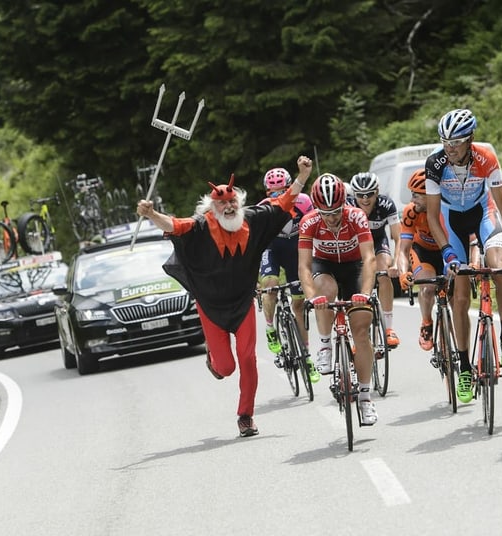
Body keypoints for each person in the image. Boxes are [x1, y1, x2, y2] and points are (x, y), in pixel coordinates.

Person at [136, 155, 313, 437]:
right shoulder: (201, 225)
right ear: (213, 207)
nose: (229, 206)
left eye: (232, 202)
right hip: (211, 305)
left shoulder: (253, 219)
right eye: (222, 203)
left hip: (242, 302)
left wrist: (302, 176)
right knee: (226, 367)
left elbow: (283, 203)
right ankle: (213, 357)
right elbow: (175, 226)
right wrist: (151, 215)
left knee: (247, 358)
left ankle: (246, 416)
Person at [425, 108, 502, 404]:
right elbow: (431, 215)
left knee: (497, 265)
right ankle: (464, 367)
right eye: (445, 141)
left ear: (470, 140)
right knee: (461, 297)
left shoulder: (485, 158)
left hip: (483, 215)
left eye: (457, 141)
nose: (450, 148)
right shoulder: (435, 164)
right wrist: (447, 251)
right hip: (451, 222)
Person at [299, 173, 379, 425]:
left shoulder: (356, 216)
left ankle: (365, 398)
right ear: (317, 209)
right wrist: (311, 298)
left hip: (354, 266)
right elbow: (304, 266)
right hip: (326, 266)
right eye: (326, 213)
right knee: (325, 288)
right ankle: (324, 344)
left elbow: (369, 259)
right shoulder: (309, 221)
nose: (332, 218)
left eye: (336, 212)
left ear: (344, 204)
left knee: (362, 331)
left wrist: (365, 293)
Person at [257, 167, 319, 383]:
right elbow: (255, 244)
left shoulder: (303, 201)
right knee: (271, 285)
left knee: (299, 306)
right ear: (267, 194)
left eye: (282, 191)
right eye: (273, 193)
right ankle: (270, 327)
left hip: (296, 250)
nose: (278, 197)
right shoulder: (263, 209)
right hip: (272, 250)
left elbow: (317, 227)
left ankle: (307, 355)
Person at [347, 172, 402, 348]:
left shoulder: (386, 205)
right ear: (353, 195)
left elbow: (398, 237)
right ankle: (356, 334)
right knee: (354, 282)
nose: (365, 199)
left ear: (377, 192)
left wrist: (395, 263)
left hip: (377, 243)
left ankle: (388, 328)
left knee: (384, 273)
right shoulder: (347, 206)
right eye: (360, 195)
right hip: (355, 246)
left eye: (369, 194)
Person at [394, 169, 441, 351]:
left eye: (416, 195)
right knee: (428, 288)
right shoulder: (411, 212)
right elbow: (403, 249)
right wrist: (404, 272)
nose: (412, 200)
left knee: (456, 297)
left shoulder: (446, 209)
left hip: (446, 253)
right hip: (423, 252)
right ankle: (427, 322)